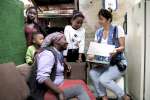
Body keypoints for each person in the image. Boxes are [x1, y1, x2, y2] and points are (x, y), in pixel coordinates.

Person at [28, 32, 95, 100]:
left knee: (81, 82)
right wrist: (59, 92)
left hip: (59, 83)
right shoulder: (48, 54)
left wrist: (65, 65)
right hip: (45, 91)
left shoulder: (58, 53)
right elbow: (42, 77)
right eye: (65, 39)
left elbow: (56, 67)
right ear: (57, 41)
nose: (67, 42)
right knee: (79, 88)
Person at [87, 9, 130, 100]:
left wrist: (115, 50)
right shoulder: (98, 32)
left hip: (118, 63)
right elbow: (95, 49)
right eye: (99, 19)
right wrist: (92, 55)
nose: (99, 21)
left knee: (103, 79)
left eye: (101, 19)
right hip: (105, 63)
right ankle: (104, 97)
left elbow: (122, 47)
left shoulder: (117, 29)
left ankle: (124, 96)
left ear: (109, 19)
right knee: (92, 73)